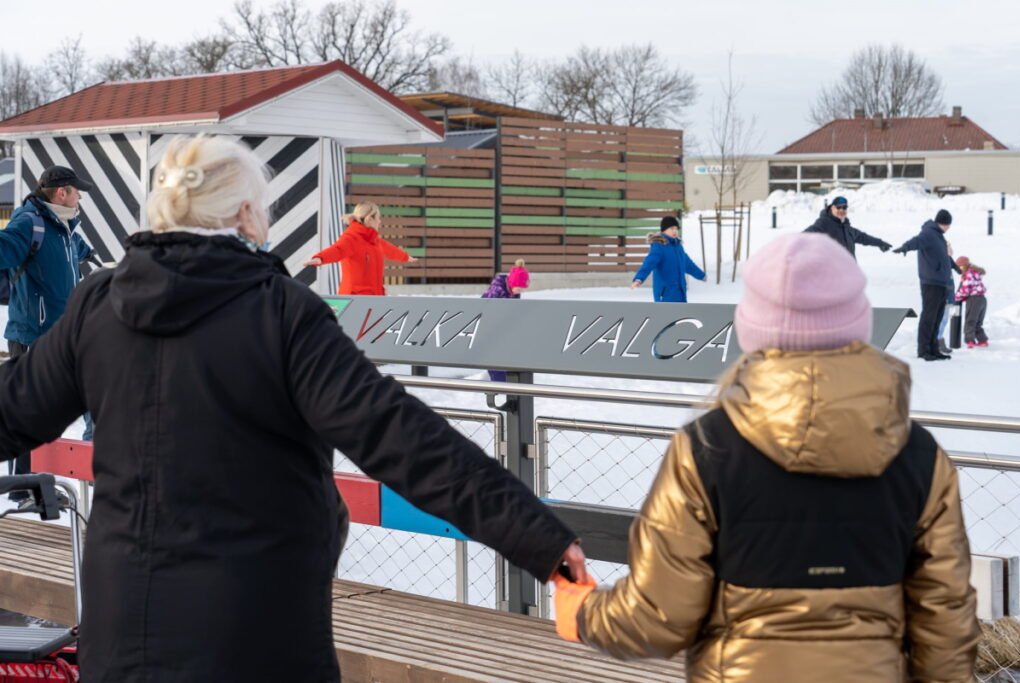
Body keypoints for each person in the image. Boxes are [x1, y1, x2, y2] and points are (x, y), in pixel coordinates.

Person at [0, 135, 586, 682]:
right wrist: (540, 539)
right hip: (257, 637)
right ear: (247, 217)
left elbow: (12, 411)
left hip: (122, 632)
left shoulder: (98, 308)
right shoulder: (281, 313)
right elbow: (399, 437)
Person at [553, 233, 979, 682]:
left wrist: (582, 612)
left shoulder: (706, 449)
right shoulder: (919, 455)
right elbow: (945, 619)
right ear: (857, 321)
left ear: (753, 326)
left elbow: (660, 617)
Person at [0, 165, 96, 500]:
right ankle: (21, 489)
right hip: (31, 334)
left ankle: (85, 472)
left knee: (79, 401)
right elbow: (5, 246)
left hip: (63, 334)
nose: (80, 196)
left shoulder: (65, 227)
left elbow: (77, 251)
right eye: (76, 191)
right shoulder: (30, 222)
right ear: (61, 193)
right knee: (28, 414)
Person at [303, 202, 418, 295]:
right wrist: (321, 258)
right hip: (355, 299)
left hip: (374, 298)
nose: (380, 221)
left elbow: (390, 250)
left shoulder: (374, 241)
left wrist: (405, 257)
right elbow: (337, 249)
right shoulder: (351, 238)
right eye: (378, 218)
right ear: (369, 219)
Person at [893, 209, 958, 361]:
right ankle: (923, 350)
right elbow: (917, 241)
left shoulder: (939, 237)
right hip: (931, 282)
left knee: (937, 317)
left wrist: (954, 267)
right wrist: (905, 247)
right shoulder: (929, 233)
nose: (949, 227)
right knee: (929, 317)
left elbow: (945, 257)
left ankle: (934, 349)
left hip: (942, 282)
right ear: (945, 223)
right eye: (948, 224)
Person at [630, 216, 706, 302]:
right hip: (665, 294)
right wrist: (639, 279)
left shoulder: (678, 246)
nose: (675, 231)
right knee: (666, 315)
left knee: (681, 315)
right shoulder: (659, 246)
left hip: (680, 292)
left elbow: (688, 264)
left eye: (676, 229)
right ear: (664, 230)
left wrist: (701, 275)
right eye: (671, 228)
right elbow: (648, 264)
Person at [803, 196, 891, 258]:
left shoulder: (846, 227)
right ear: (832, 208)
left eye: (844, 207)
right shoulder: (823, 224)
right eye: (838, 207)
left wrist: (880, 243)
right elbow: (804, 237)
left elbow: (863, 237)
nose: (841, 210)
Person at [955, 255, 989, 348]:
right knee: (978, 322)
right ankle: (983, 340)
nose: (958, 269)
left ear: (963, 265)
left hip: (974, 299)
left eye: (959, 267)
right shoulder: (975, 273)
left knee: (970, 321)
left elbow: (965, 290)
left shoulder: (968, 274)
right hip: (982, 299)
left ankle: (970, 341)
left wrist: (955, 297)